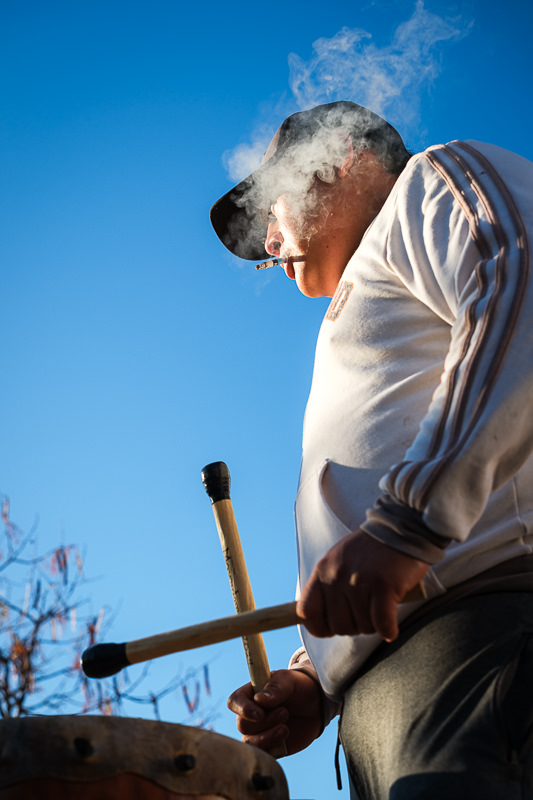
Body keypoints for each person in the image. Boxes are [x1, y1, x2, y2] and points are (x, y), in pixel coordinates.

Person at [210, 101, 533, 799]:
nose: (268, 242)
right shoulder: (365, 305)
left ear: (338, 159)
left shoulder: (431, 180)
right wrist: (317, 676)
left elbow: (523, 283)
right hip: (394, 697)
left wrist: (408, 523)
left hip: (479, 634)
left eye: (272, 209)